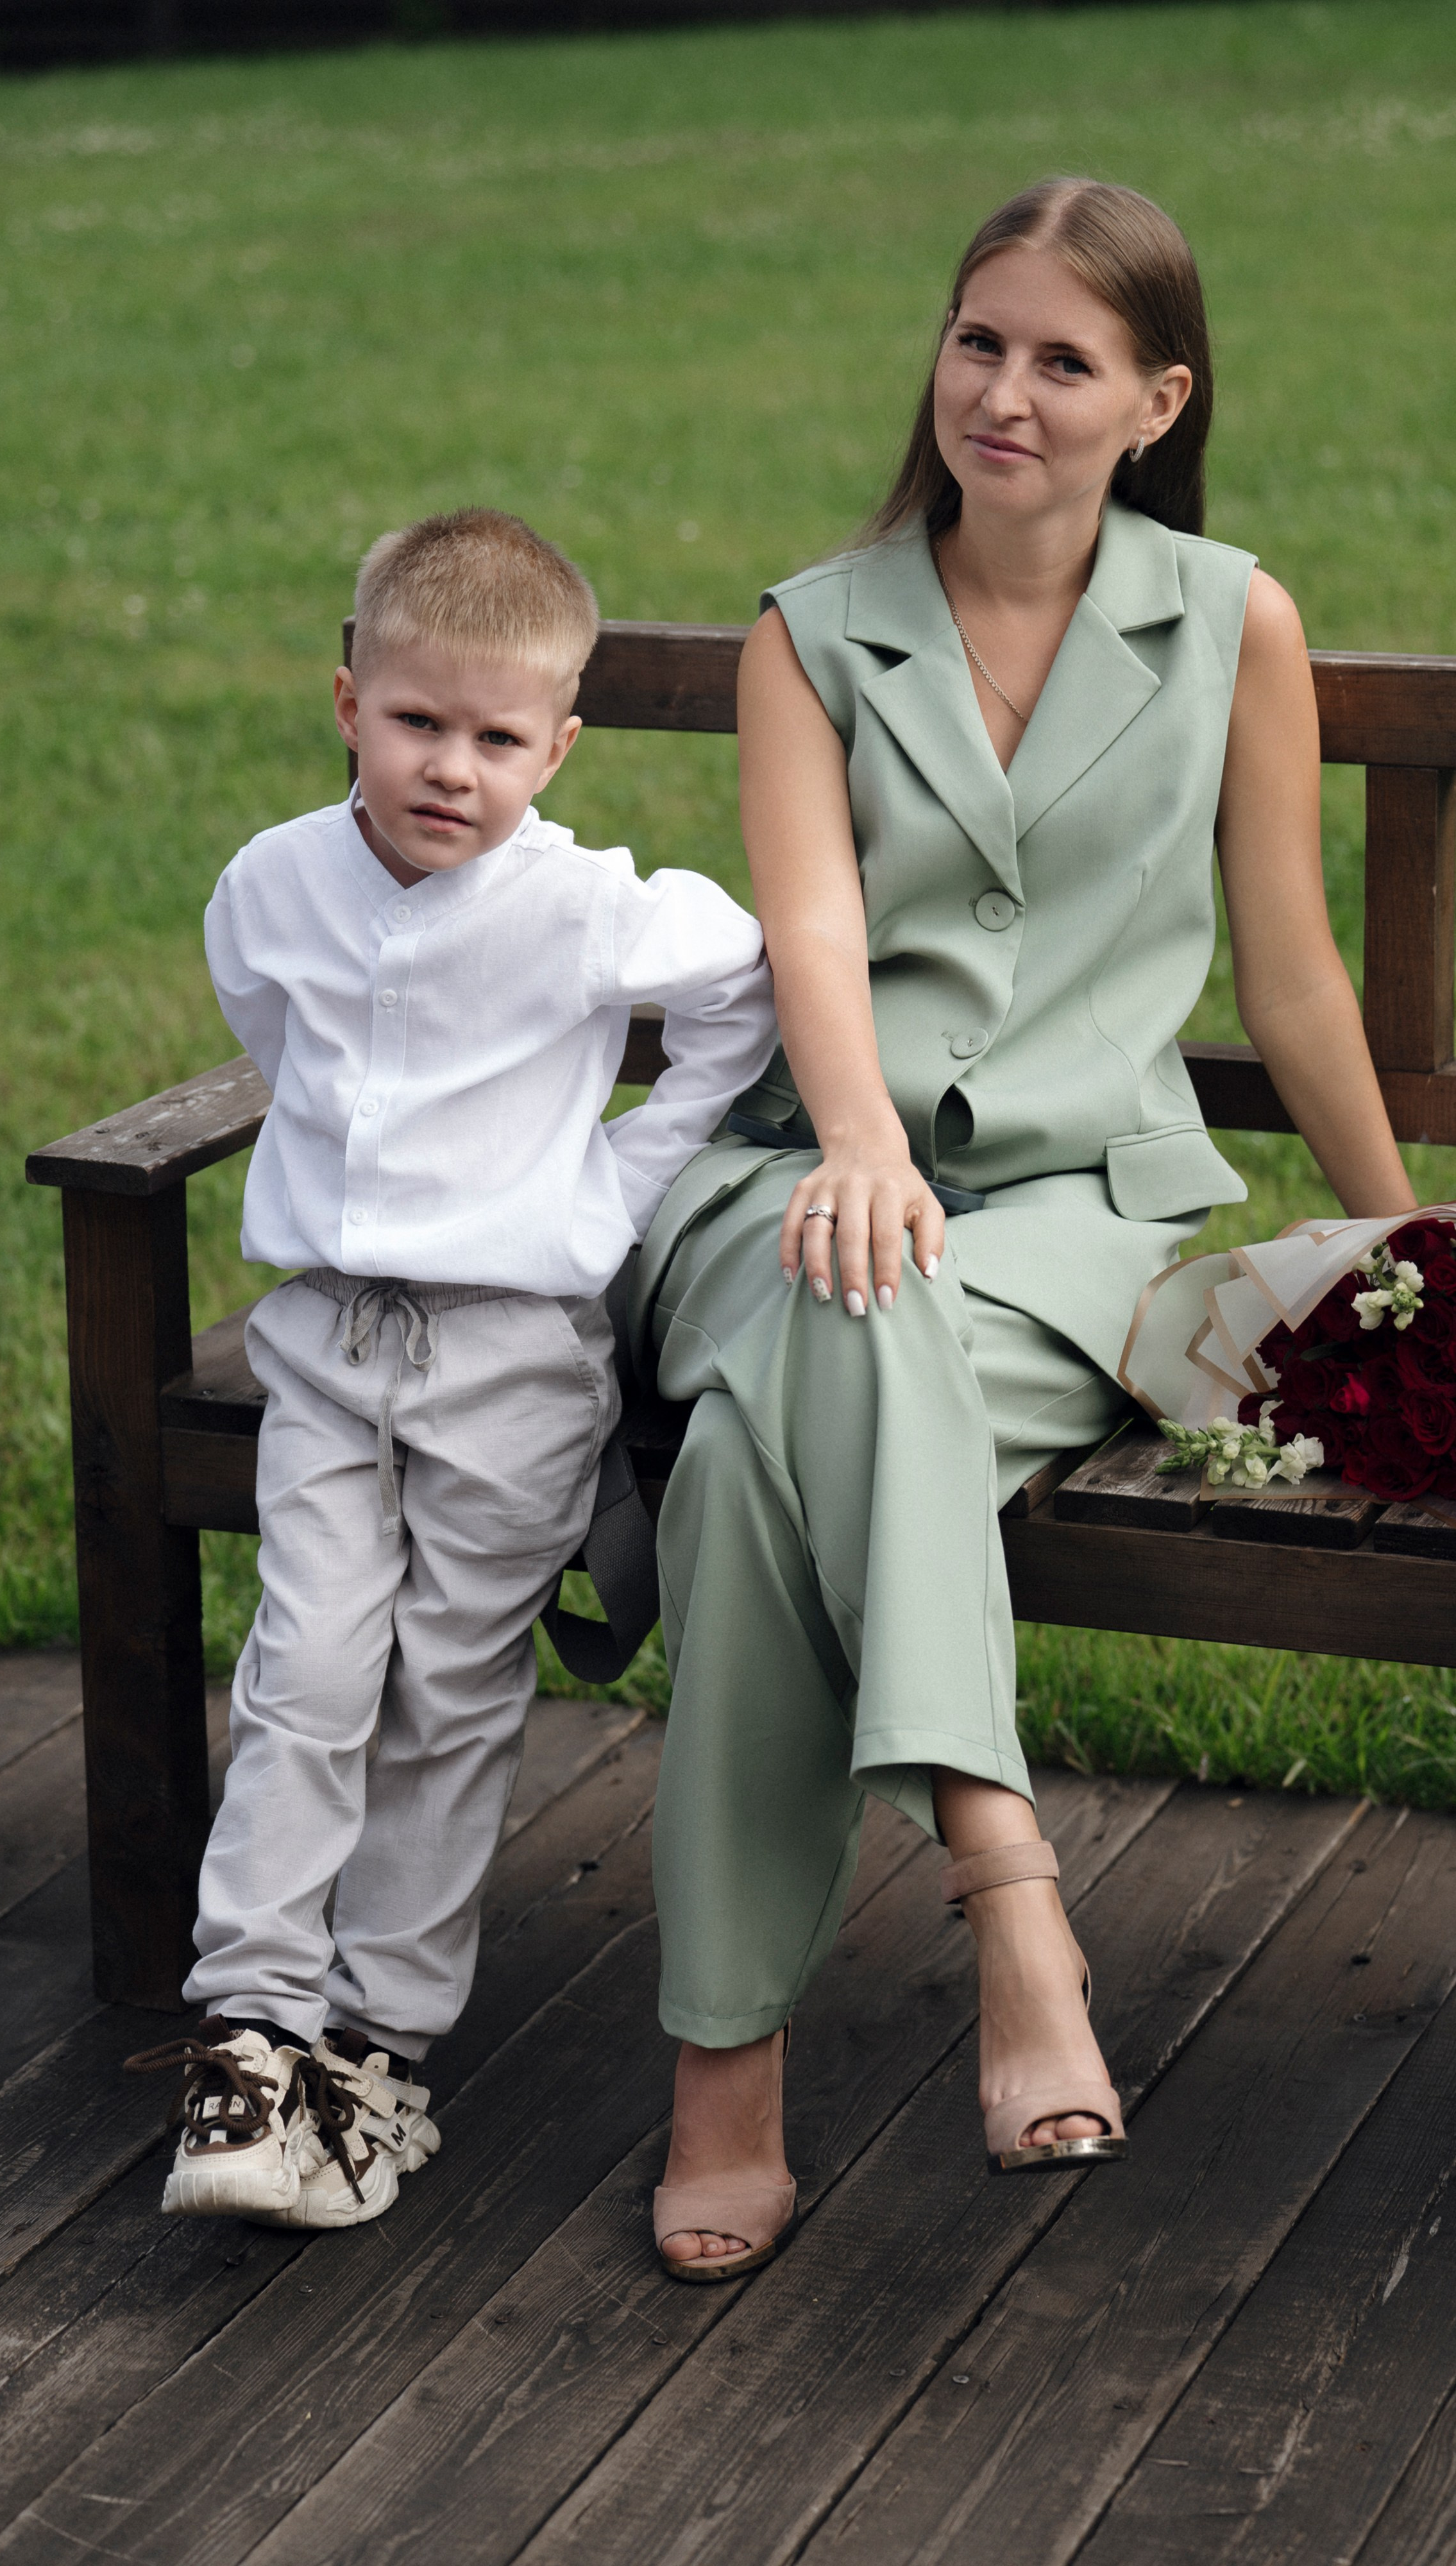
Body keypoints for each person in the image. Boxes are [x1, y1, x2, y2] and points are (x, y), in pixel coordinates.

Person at [633, 179, 1419, 2281]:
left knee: (737, 1465)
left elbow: (1296, 977)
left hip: (1084, 1224)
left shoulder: (1230, 623)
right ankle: (1010, 1886)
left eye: (1065, 361)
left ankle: (727, 2069)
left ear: (1156, 401)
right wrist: (866, 1143)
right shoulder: (816, 632)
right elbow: (812, 927)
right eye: (981, 340)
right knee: (845, 1295)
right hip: (789, 1184)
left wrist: (1407, 1247)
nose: (1006, 391)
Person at [128, 508, 776, 2230]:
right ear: (349, 701)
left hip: (510, 1364)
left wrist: (617, 1183)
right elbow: (276, 1027)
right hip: (332, 1347)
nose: (452, 769)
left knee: (442, 1698)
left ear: (558, 749)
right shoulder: (274, 881)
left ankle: (377, 2057)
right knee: (306, 1667)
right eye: (420, 723)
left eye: (499, 739)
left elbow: (747, 995)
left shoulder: (586, 909)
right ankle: (249, 2027)